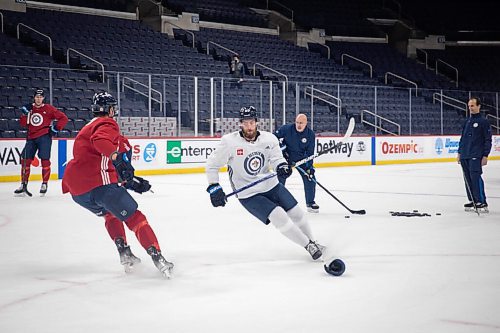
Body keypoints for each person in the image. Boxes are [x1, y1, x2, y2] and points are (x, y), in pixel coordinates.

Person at [61, 92, 174, 278]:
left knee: (110, 214)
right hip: (98, 184)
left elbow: (106, 163)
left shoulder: (87, 127)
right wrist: (117, 158)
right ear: (110, 110)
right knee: (135, 217)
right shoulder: (107, 124)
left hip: (77, 190)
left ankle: (125, 252)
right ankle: (158, 257)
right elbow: (101, 142)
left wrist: (130, 181)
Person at [206, 106, 324, 260]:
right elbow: (212, 165)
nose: (249, 126)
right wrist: (214, 187)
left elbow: (276, 158)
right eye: (245, 123)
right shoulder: (229, 142)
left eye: (252, 122)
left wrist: (281, 166)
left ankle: (313, 241)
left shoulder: (269, 139)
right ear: (240, 123)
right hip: (248, 193)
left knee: (297, 213)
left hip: (271, 184)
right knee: (279, 216)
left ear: (256, 122)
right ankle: (308, 246)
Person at [14, 89, 69, 197]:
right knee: (25, 160)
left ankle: (44, 183)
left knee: (45, 160)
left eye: (40, 97)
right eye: (37, 97)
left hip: (44, 137)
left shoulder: (49, 108)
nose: (38, 99)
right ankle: (23, 184)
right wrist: (25, 114)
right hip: (31, 137)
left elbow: (63, 118)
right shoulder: (29, 108)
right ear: (34, 98)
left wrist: (56, 128)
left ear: (43, 98)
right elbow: (22, 123)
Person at [274, 114, 319, 213]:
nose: (298, 125)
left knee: (310, 178)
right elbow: (273, 138)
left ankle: (310, 203)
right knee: (281, 176)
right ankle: (277, 202)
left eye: (301, 123)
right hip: (286, 158)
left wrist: (309, 168)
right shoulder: (287, 129)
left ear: (306, 123)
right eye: (297, 122)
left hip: (301, 160)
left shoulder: (310, 134)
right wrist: (282, 148)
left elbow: (310, 154)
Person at [457, 97, 492, 213]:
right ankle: (472, 199)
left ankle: (481, 201)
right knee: (467, 178)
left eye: (472, 106)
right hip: (465, 155)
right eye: (469, 106)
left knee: (475, 177)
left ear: (478, 106)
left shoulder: (483, 122)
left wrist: (485, 155)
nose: (470, 108)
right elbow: (463, 138)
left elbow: (488, 140)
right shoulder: (467, 121)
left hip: (476, 155)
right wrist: (459, 152)